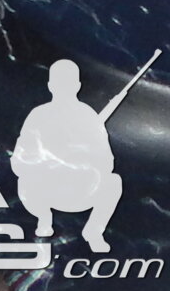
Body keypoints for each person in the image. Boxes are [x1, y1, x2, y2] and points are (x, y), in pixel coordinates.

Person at [15, 59, 124, 252]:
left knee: (113, 183)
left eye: (68, 83)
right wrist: (49, 160)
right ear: (50, 86)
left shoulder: (88, 116)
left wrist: (83, 159)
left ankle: (94, 231)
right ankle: (43, 219)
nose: (63, 88)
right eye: (59, 83)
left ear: (77, 86)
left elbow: (107, 162)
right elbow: (19, 160)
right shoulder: (38, 115)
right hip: (45, 191)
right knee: (24, 181)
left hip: (81, 190)